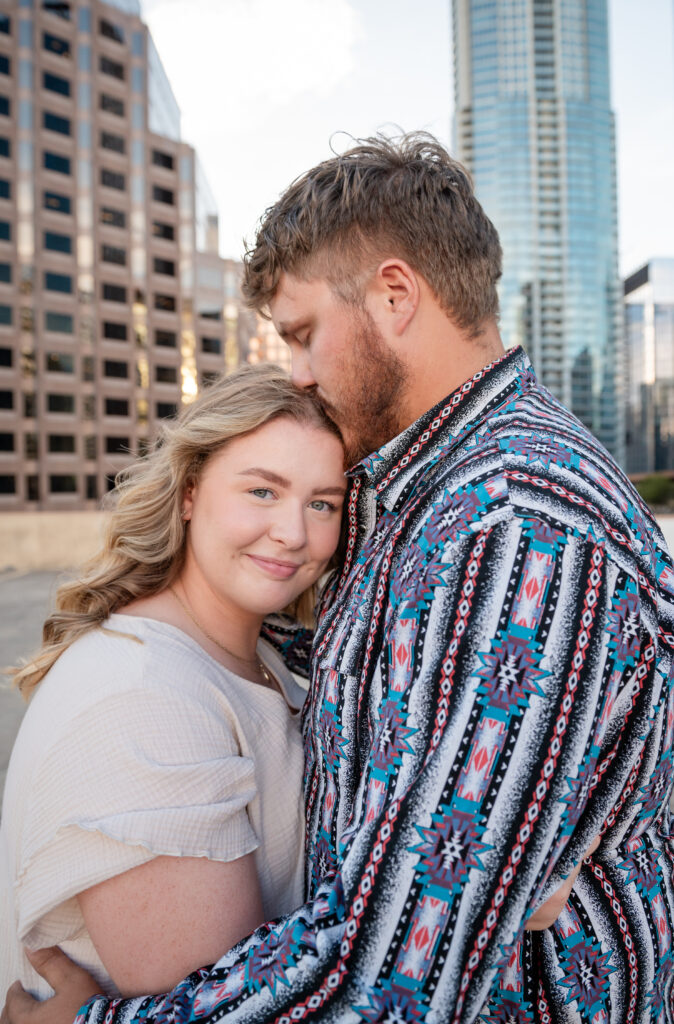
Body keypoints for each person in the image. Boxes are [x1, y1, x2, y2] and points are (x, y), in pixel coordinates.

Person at [4, 133, 674, 1023]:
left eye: (305, 333)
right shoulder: (409, 498)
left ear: (395, 295)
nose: (299, 372)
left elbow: (397, 982)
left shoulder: (517, 527)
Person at [0, 364, 346, 1002]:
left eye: (321, 503)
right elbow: (222, 1011)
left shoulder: (258, 655)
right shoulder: (145, 698)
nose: (294, 534)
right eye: (262, 492)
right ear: (189, 492)